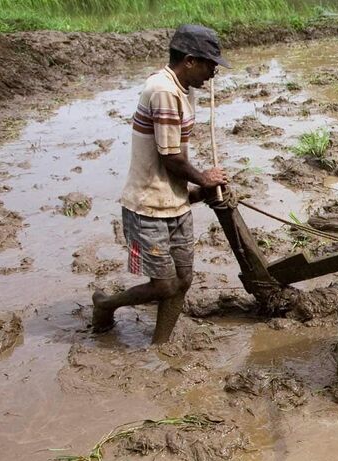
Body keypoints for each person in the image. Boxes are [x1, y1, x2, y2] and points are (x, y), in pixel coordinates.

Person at [92, 24, 230, 343]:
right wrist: (204, 178)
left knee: (183, 279)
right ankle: (106, 304)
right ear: (190, 60)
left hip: (173, 203)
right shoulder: (164, 91)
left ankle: (160, 344)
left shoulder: (183, 89)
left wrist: (196, 192)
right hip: (147, 207)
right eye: (210, 65)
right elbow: (170, 158)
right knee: (165, 285)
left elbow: (176, 156)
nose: (214, 73)